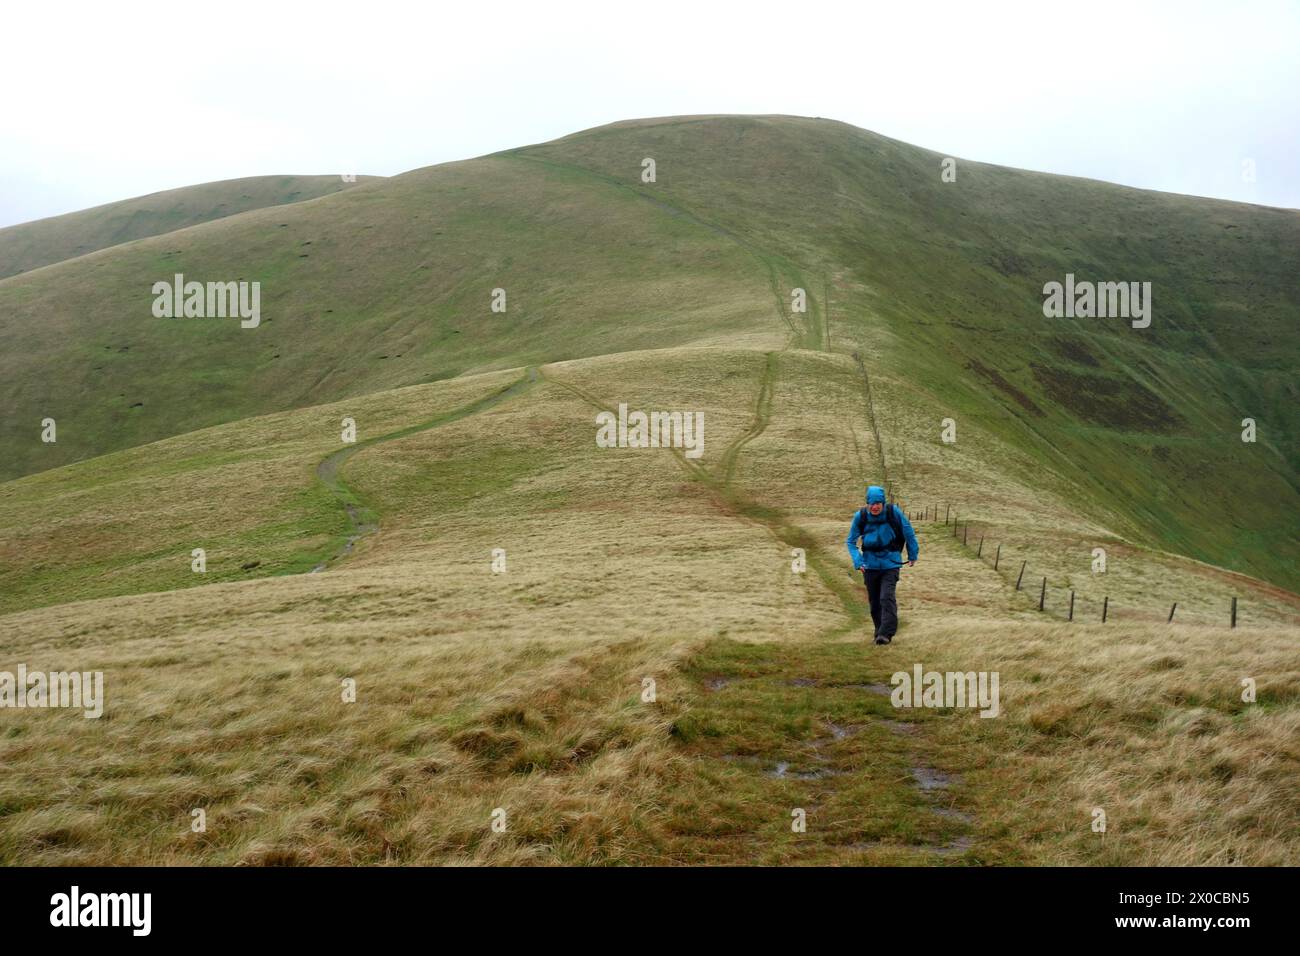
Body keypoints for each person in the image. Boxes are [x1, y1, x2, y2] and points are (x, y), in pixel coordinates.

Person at [845, 485, 918, 644]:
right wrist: (858, 560)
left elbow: (908, 531)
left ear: (883, 503)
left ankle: (886, 633)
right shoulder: (861, 517)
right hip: (869, 565)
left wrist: (913, 553)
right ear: (867, 503)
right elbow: (850, 541)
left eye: (878, 503)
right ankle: (879, 632)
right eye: (872, 503)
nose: (875, 506)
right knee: (874, 603)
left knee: (886, 597)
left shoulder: (893, 512)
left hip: (890, 563)